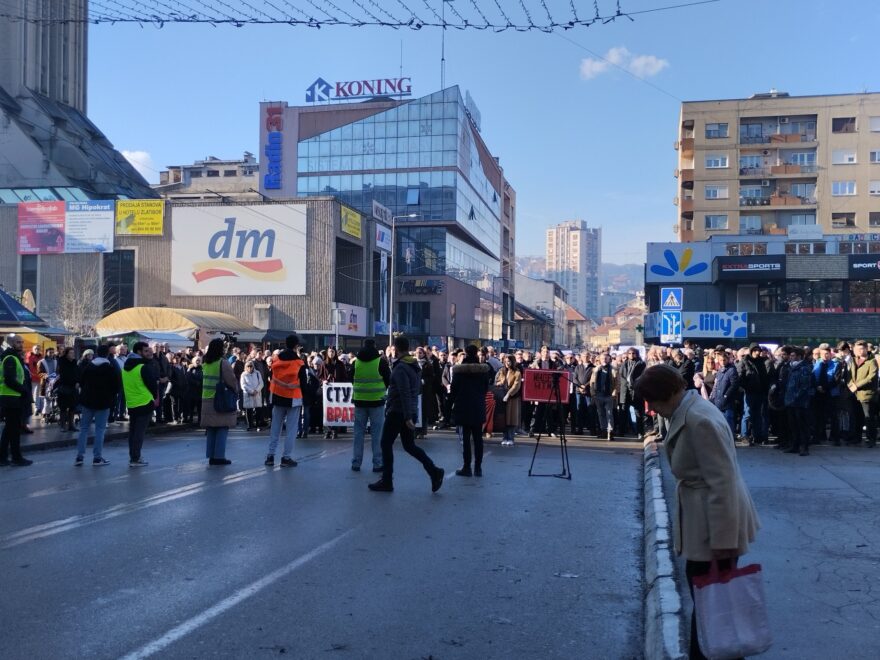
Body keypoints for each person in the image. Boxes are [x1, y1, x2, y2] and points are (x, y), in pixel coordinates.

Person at [635, 365, 759, 660]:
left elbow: (722, 481)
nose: (651, 408)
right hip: (704, 520)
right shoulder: (690, 409)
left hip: (714, 524)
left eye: (652, 401)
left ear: (666, 395)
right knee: (710, 602)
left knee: (711, 603)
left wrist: (723, 540)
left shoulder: (697, 419)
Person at [369, 336, 444, 493]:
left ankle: (387, 480)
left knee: (385, 443)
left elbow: (403, 392)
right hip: (407, 409)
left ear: (396, 348)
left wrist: (408, 416)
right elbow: (412, 390)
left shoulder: (401, 367)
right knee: (409, 446)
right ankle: (434, 471)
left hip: (399, 411)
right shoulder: (413, 365)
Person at [450, 345, 492, 477]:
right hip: (478, 406)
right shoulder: (482, 371)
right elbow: (486, 389)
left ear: (466, 353)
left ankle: (467, 467)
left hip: (463, 406)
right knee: (478, 438)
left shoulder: (459, 371)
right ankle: (478, 468)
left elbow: (453, 390)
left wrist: (448, 409)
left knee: (466, 440)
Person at [266, 334, 307, 467]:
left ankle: (270, 456)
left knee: (275, 428)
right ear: (296, 346)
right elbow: (304, 384)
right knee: (291, 430)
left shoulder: (276, 359)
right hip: (293, 399)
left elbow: (271, 376)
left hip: (277, 396)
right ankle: (286, 457)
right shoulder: (299, 363)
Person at [75, 344, 119, 466]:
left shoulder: (89, 366)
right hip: (103, 402)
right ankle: (97, 458)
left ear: (96, 353)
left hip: (87, 401)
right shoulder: (110, 368)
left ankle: (79, 457)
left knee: (83, 429)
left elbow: (82, 382)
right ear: (107, 354)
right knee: (100, 430)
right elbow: (116, 387)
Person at [351, 339, 391, 473]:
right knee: (377, 434)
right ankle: (377, 464)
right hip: (377, 401)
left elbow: (350, 378)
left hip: (360, 401)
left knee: (358, 433)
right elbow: (388, 379)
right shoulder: (381, 362)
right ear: (375, 347)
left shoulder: (356, 362)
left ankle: (356, 462)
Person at [201, 338, 240, 465]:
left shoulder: (206, 362)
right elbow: (231, 380)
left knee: (211, 429)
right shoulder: (222, 363)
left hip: (206, 398)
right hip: (219, 399)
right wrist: (236, 390)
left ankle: (211, 455)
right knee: (222, 427)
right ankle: (219, 456)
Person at [121, 342, 160, 467]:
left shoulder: (125, 367)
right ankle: (135, 458)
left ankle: (133, 456)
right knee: (139, 433)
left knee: (133, 432)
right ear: (139, 352)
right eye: (145, 350)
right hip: (145, 402)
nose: (148, 353)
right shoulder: (143, 367)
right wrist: (154, 397)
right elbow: (152, 384)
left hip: (132, 403)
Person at [0, 334, 33, 466]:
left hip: (14, 398)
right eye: (18, 342)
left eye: (22, 342)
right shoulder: (10, 358)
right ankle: (16, 457)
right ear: (11, 343)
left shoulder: (14, 357)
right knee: (13, 429)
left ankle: (4, 457)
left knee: (10, 429)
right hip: (11, 398)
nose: (21, 344)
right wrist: (24, 390)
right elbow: (9, 380)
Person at [847, 340, 878, 448]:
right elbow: (848, 374)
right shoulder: (853, 360)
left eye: (861, 349)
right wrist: (851, 385)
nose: (859, 351)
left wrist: (857, 385)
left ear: (866, 349)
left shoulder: (872, 361)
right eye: (857, 349)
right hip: (854, 394)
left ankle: (871, 439)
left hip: (866, 395)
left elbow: (871, 378)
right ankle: (857, 438)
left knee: (868, 418)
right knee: (856, 417)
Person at [784, 347, 813, 456]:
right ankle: (794, 445)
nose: (791, 357)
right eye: (790, 355)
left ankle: (804, 447)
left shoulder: (804, 368)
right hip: (790, 402)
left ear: (799, 356)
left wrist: (795, 397)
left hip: (801, 403)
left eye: (793, 355)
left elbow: (804, 387)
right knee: (793, 425)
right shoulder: (791, 367)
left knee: (802, 425)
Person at [495, 353, 522, 447]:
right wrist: (500, 383)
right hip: (502, 397)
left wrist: (508, 394)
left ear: (513, 362)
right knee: (504, 419)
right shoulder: (501, 371)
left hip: (512, 398)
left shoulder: (517, 372)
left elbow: (516, 385)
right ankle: (504, 437)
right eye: (506, 361)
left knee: (511, 419)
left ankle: (510, 438)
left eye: (509, 361)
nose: (507, 363)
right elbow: (496, 381)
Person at [590, 353, 617, 441]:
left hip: (609, 395)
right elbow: (592, 382)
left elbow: (618, 383)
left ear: (609, 359)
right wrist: (592, 393)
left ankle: (610, 432)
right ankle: (603, 431)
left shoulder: (614, 369)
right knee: (601, 414)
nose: (604, 360)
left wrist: (614, 392)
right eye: (602, 358)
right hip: (598, 395)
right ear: (600, 360)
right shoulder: (596, 369)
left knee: (609, 414)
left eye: (606, 358)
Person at [56, 347, 80, 432]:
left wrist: (78, 381)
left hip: (73, 389)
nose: (72, 354)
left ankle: (71, 425)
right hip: (64, 388)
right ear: (66, 354)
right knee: (63, 407)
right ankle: (63, 425)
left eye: (73, 353)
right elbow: (64, 376)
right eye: (70, 353)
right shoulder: (62, 363)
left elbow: (77, 373)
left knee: (72, 407)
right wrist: (74, 382)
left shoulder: (74, 362)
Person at [240, 359, 265, 431]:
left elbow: (261, 383)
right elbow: (243, 385)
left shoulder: (257, 373)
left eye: (251, 366)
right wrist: (251, 391)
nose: (250, 367)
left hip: (257, 394)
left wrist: (256, 390)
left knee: (258, 410)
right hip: (248, 394)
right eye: (248, 366)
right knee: (249, 410)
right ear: (245, 367)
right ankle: (250, 425)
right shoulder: (243, 374)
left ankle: (258, 425)